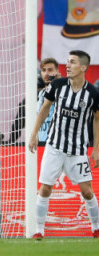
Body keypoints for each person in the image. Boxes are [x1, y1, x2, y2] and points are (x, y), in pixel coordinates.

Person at [29, 50, 99, 240]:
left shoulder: (93, 93)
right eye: (67, 61)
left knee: (87, 191)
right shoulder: (58, 85)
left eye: (72, 62)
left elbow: (97, 119)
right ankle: (39, 230)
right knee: (45, 188)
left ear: (83, 67)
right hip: (54, 147)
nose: (67, 65)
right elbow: (44, 109)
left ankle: (96, 227)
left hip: (78, 150)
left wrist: (96, 149)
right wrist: (34, 134)